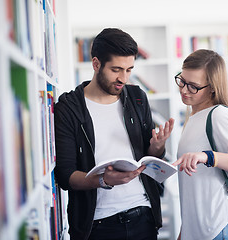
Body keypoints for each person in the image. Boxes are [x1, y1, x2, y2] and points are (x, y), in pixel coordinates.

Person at [54, 28, 174, 240]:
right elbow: (66, 175)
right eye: (116, 69)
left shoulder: (137, 98)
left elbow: (150, 157)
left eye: (129, 70)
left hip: (143, 215)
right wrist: (102, 180)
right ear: (96, 64)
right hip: (96, 225)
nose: (124, 78)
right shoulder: (69, 107)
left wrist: (157, 147)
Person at [172, 49, 228, 240]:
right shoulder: (194, 118)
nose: (183, 89)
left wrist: (208, 156)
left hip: (221, 230)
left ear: (212, 88)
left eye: (193, 86)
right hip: (201, 232)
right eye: (182, 80)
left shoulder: (218, 116)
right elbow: (194, 187)